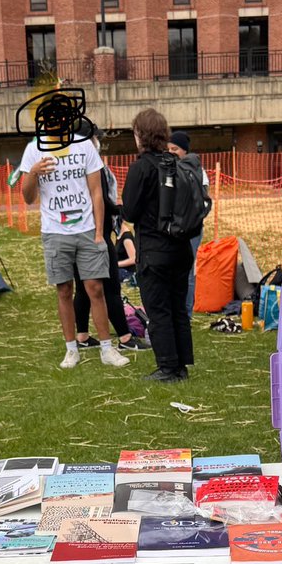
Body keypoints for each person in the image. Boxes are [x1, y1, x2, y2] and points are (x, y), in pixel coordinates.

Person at [19, 115, 130, 370]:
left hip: (88, 230)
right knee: (64, 290)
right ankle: (71, 349)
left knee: (96, 289)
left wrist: (100, 233)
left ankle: (106, 348)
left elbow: (96, 193)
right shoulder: (34, 149)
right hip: (55, 232)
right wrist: (34, 172)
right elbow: (27, 197)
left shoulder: (83, 146)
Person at [122, 108, 194, 383]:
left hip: (153, 249)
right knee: (177, 308)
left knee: (158, 309)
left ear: (141, 135)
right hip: (180, 247)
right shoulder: (174, 163)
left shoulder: (141, 167)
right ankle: (181, 365)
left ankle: (167, 367)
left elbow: (129, 211)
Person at [72, 128, 149, 353]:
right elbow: (102, 200)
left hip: (78, 233)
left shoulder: (74, 166)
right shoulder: (94, 166)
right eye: (96, 138)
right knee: (111, 288)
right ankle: (125, 338)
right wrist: (122, 211)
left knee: (83, 288)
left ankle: (83, 335)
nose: (98, 143)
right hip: (97, 234)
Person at [166, 129, 208, 318]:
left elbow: (203, 201)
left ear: (184, 150)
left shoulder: (197, 171)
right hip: (172, 228)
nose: (171, 152)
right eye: (168, 149)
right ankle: (174, 310)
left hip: (191, 229)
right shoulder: (168, 169)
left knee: (188, 271)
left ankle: (186, 313)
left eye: (175, 148)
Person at [116, 220, 137, 285]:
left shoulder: (126, 237)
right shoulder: (118, 235)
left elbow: (133, 259)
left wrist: (116, 264)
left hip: (127, 272)